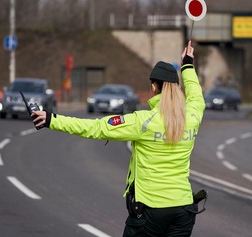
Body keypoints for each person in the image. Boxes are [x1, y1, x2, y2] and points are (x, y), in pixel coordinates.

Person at [32, 41, 205, 237]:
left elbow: (95, 128)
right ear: (175, 87)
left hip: (151, 211)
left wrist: (51, 120)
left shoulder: (143, 121)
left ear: (154, 87)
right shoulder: (192, 117)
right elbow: (196, 96)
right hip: (183, 210)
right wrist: (188, 66)